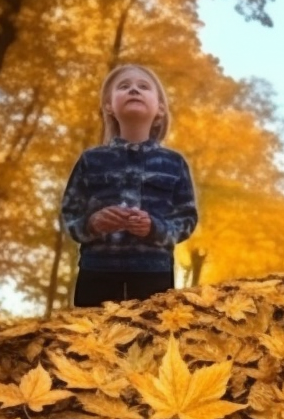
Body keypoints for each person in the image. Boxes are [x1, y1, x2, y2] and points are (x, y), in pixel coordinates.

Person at [60, 64, 197, 307]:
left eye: (143, 87)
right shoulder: (91, 160)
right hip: (96, 273)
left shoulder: (174, 163)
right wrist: (92, 223)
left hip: (154, 275)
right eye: (124, 87)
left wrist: (155, 228)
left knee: (148, 340)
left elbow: (186, 219)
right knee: (91, 340)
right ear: (109, 107)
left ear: (160, 109)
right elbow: (70, 214)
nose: (134, 89)